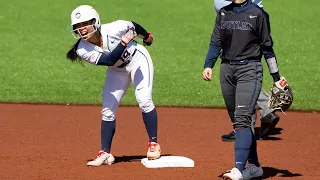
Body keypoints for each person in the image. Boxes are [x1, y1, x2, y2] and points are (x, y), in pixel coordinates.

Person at [66, 5, 161, 167]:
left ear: (95, 22)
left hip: (138, 60)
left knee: (144, 99)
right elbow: (109, 60)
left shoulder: (115, 28)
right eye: (77, 26)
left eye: (84, 24)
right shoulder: (82, 49)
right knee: (108, 109)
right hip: (117, 69)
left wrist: (147, 36)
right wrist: (124, 42)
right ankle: (105, 152)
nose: (81, 29)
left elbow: (134, 26)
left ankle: (154, 143)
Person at [202, 0, 287, 179]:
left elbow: (267, 48)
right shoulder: (223, 13)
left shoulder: (257, 14)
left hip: (250, 69)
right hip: (226, 70)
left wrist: (276, 77)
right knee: (238, 121)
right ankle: (254, 166)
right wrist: (208, 65)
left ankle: (238, 169)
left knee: (242, 118)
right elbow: (215, 42)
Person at [214, 0, 280, 142]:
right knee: (245, 76)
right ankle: (259, 114)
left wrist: (276, 76)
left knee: (245, 72)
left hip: (247, 18)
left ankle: (246, 127)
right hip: (243, 16)